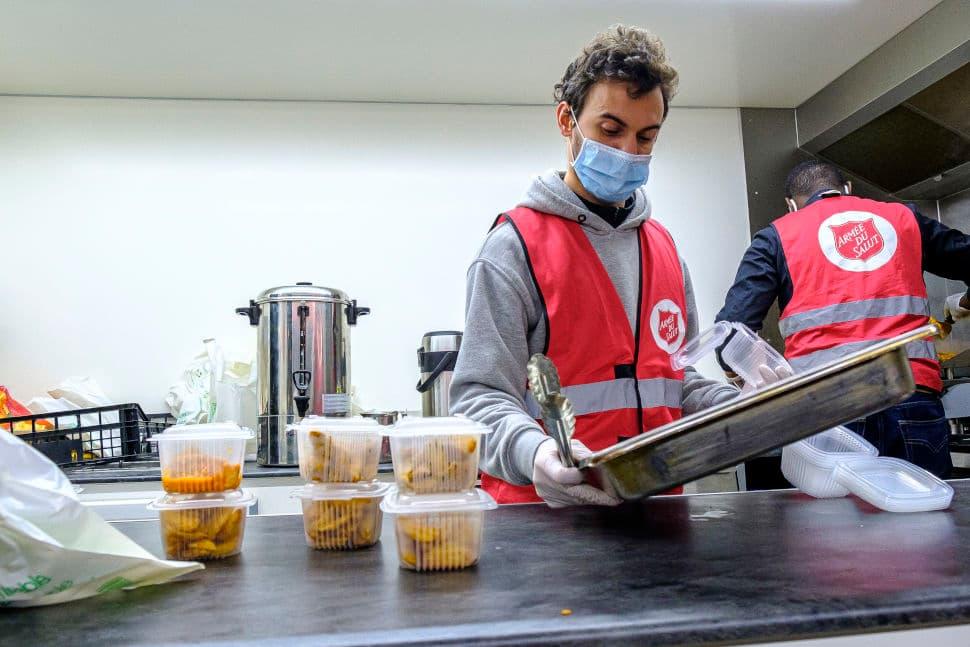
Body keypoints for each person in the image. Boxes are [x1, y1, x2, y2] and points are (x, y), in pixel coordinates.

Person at [450, 25, 747, 507]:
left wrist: (757, 409)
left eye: (646, 137)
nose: (629, 151)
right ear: (567, 120)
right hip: (548, 523)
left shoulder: (664, 249)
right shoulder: (513, 248)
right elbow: (478, 399)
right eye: (611, 130)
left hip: (657, 513)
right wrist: (538, 452)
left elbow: (678, 385)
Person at [717, 160, 970, 481]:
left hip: (824, 411)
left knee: (834, 526)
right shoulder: (903, 218)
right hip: (909, 397)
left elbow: (731, 335)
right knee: (925, 521)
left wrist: (742, 379)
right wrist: (962, 301)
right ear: (847, 190)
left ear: (791, 205)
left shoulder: (775, 237)